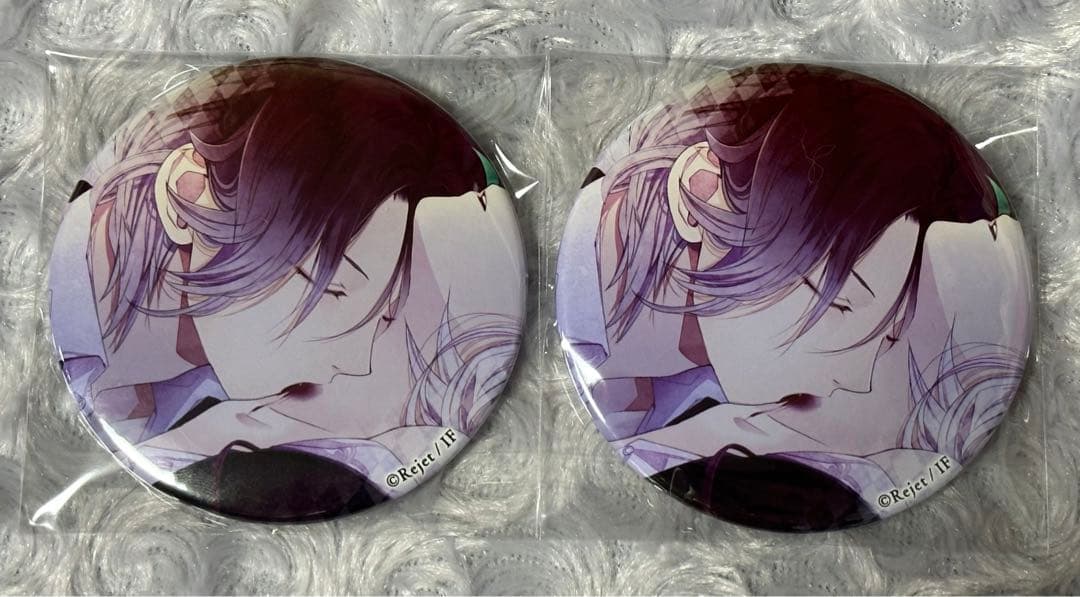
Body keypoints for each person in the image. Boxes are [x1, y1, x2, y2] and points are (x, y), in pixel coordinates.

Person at [557, 64, 1031, 530]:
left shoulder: (706, 386)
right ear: (702, 191)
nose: (858, 378)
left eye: (886, 335)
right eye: (838, 303)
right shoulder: (580, 312)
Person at [50, 58, 525, 520]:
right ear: (190, 193)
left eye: (382, 314)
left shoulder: (212, 391)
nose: (357, 361)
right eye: (334, 291)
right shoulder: (82, 322)